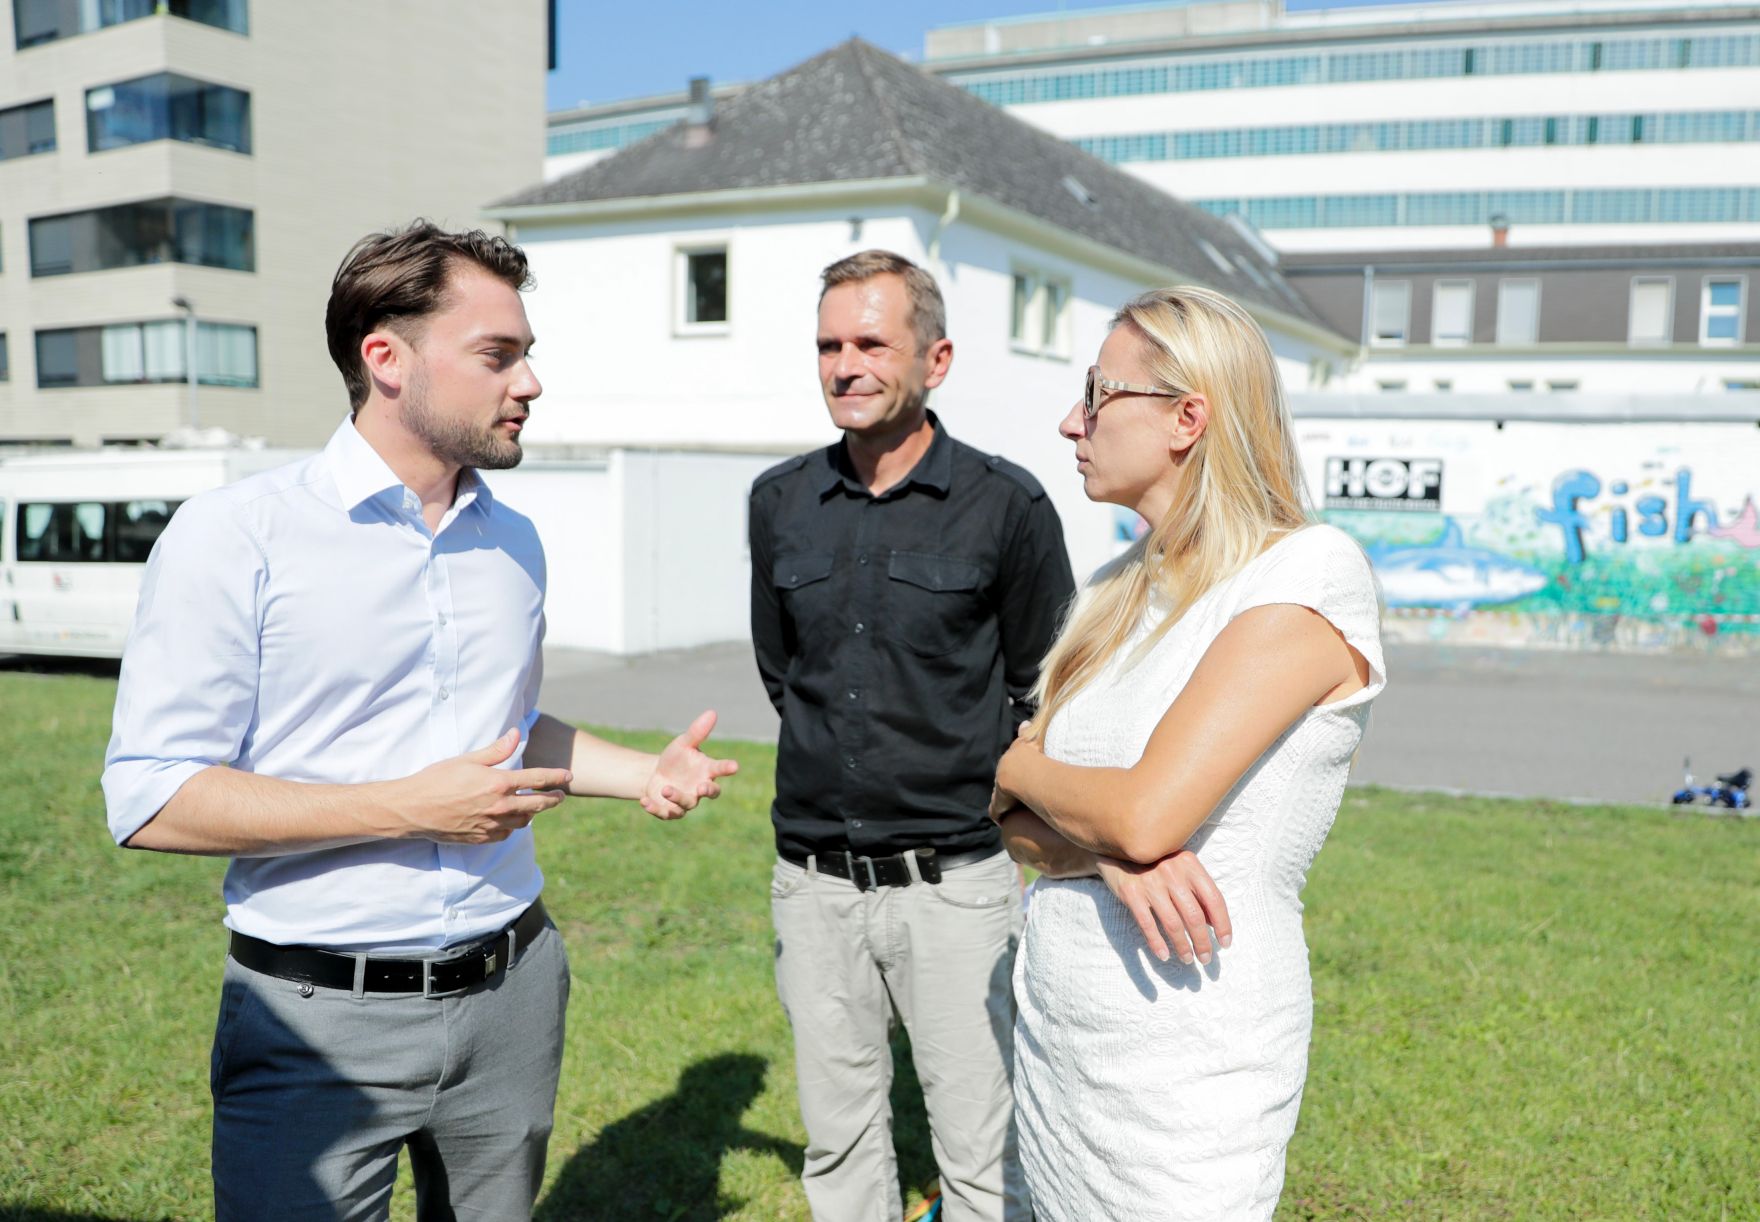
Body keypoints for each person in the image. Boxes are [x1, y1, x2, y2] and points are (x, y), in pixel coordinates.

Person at [100, 221, 738, 1221]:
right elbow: (148, 796)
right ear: (385, 358)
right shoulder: (234, 536)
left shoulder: (514, 540)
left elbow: (507, 730)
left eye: (526, 353)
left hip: (512, 992)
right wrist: (407, 807)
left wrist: (638, 773)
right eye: (499, 354)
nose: (528, 381)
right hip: (314, 1018)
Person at [988, 286, 1385, 1220]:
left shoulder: (1306, 573)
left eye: (1096, 394)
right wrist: (1099, 857)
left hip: (1188, 1062)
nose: (1068, 422)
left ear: (1187, 417)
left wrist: (1011, 765)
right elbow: (1017, 830)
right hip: (1062, 1044)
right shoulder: (1111, 590)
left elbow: (1144, 814)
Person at [747, 250, 1074, 1220]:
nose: (843, 364)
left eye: (869, 343)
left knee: (981, 1149)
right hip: (811, 884)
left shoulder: (1004, 505)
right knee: (837, 1142)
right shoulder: (777, 500)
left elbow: (1044, 689)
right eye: (826, 345)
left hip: (955, 885)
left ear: (934, 358)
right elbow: (784, 671)